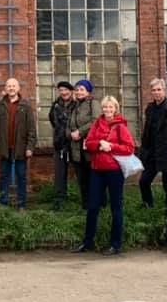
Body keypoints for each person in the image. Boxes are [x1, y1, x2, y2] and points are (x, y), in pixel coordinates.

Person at [72, 95, 135, 255]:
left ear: (115, 108)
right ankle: (88, 242)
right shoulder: (97, 123)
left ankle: (115, 244)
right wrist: (100, 144)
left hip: (114, 171)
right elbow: (88, 143)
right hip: (97, 170)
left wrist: (111, 146)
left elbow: (129, 148)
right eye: (105, 107)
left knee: (116, 207)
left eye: (110, 107)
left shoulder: (121, 126)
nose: (107, 109)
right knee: (92, 207)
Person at [0, 77, 37, 210]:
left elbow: (31, 129)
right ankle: (3, 204)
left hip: (21, 148)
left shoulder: (25, 106)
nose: (11, 88)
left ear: (18, 88)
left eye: (13, 86)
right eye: (9, 86)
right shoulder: (0, 106)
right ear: (5, 88)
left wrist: (30, 147)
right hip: (5, 147)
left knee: (21, 176)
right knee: (4, 176)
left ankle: (21, 204)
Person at [66, 79, 101, 209]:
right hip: (76, 148)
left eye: (82, 89)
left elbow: (96, 121)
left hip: (89, 147)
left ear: (88, 91)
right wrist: (70, 134)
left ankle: (99, 203)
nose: (79, 92)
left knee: (93, 177)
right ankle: (86, 205)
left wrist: (80, 132)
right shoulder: (74, 106)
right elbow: (68, 124)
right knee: (82, 178)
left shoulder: (93, 103)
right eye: (77, 89)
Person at [139, 77, 167, 207]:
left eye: (159, 89)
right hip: (152, 152)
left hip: (166, 152)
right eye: (154, 90)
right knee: (143, 181)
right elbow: (147, 130)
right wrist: (144, 149)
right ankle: (148, 206)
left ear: (164, 90)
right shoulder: (150, 108)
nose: (156, 92)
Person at [49, 80, 77, 210]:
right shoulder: (55, 105)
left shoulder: (77, 104)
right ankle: (59, 201)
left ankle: (86, 200)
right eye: (61, 90)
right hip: (59, 144)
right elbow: (52, 120)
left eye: (66, 90)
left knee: (81, 173)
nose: (63, 92)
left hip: (74, 143)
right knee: (60, 174)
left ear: (71, 91)